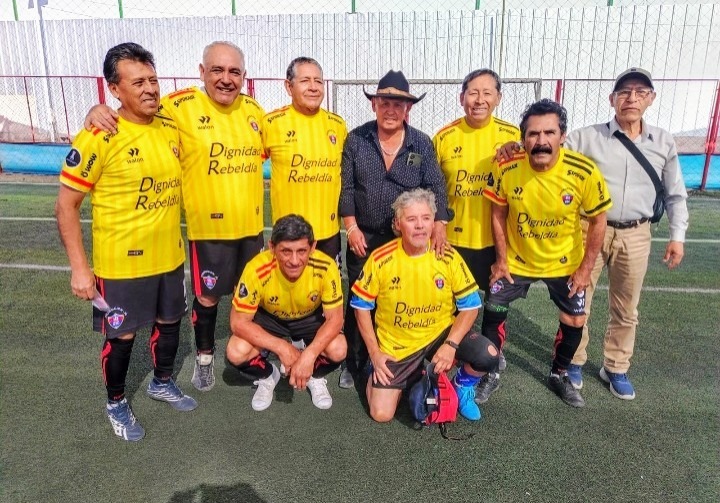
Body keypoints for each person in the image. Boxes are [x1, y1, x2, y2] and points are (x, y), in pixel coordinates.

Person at [83, 42, 266, 393]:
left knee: (252, 297)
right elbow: (134, 110)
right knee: (208, 299)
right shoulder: (178, 107)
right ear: (202, 72)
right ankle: (205, 358)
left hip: (252, 230)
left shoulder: (254, 111)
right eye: (217, 70)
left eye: (234, 72)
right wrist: (97, 110)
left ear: (244, 76)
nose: (226, 79)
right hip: (208, 231)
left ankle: (253, 352)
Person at [56, 42, 196, 442]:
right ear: (115, 89)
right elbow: (66, 206)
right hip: (121, 265)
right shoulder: (99, 135)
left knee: (170, 324)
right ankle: (116, 402)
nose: (150, 88)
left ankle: (162, 382)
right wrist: (80, 269)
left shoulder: (168, 122)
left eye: (153, 79)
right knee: (122, 338)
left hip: (169, 257)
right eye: (138, 82)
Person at [562, 68, 689, 399]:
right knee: (578, 299)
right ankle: (573, 360)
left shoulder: (663, 141)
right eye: (624, 92)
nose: (631, 98)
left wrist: (677, 236)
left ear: (651, 98)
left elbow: (675, 193)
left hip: (636, 233)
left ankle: (616, 366)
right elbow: (550, 151)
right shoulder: (586, 138)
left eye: (640, 92)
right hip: (589, 229)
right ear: (612, 99)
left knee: (626, 307)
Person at [479, 98, 612, 408]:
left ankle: (559, 374)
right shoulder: (506, 167)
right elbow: (497, 213)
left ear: (562, 136)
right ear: (523, 138)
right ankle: (490, 372)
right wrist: (501, 260)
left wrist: (585, 269)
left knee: (575, 320)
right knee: (494, 309)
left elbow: (598, 220)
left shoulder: (583, 171)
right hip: (517, 260)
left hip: (565, 263)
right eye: (533, 134)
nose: (541, 141)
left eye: (549, 133)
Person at [339, 70, 453, 388]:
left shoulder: (421, 143)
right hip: (364, 236)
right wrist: (351, 228)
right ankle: (354, 361)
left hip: (406, 239)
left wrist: (440, 224)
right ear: (374, 105)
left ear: (408, 109)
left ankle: (403, 356)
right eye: (384, 103)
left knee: (400, 297)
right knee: (359, 298)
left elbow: (436, 186)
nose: (390, 110)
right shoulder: (356, 139)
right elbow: (347, 189)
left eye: (397, 105)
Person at [350, 189, 499, 422]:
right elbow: (361, 307)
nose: (420, 225)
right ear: (398, 224)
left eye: (426, 218)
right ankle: (401, 373)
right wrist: (375, 353)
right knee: (381, 414)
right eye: (411, 219)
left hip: (440, 333)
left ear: (433, 222)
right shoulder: (381, 259)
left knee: (488, 355)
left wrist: (450, 345)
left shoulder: (446, 255)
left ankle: (462, 385)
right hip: (398, 345)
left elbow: (470, 306)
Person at [226, 214, 347, 411]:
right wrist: (282, 348)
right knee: (236, 351)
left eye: (302, 251)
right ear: (272, 247)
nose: (294, 260)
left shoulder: (326, 266)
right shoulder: (256, 268)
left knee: (338, 348)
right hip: (270, 318)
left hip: (310, 318)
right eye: (286, 251)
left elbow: (335, 319)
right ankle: (268, 375)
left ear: (313, 247)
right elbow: (237, 322)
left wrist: (309, 355)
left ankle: (312, 375)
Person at [433, 69, 520, 299]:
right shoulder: (443, 137)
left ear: (498, 98)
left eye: (487, 93)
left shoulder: (513, 137)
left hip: (498, 244)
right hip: (452, 242)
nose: (480, 100)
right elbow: (430, 187)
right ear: (462, 98)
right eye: (473, 93)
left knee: (496, 307)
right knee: (451, 306)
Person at [261, 57, 347, 264]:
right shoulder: (271, 123)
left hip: (329, 233)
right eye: (305, 81)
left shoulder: (337, 125)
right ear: (289, 87)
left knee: (328, 284)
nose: (313, 87)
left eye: (318, 81)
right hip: (288, 236)